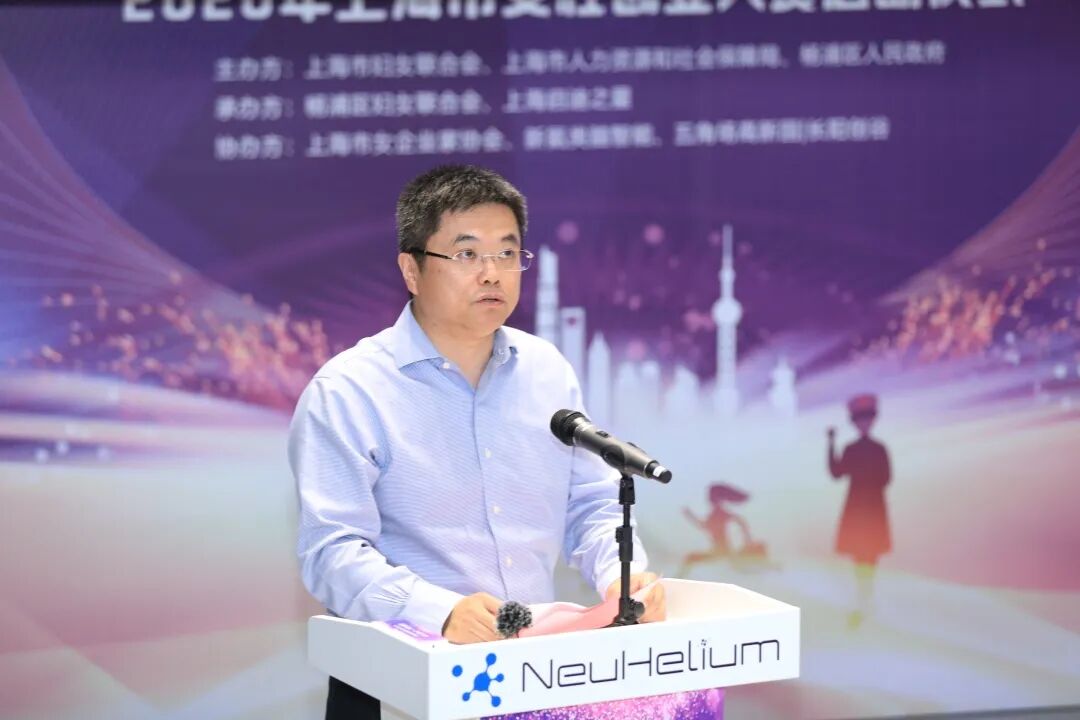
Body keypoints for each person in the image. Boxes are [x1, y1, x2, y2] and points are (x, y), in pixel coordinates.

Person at [288, 165, 666, 719]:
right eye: (467, 254)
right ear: (412, 269)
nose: (492, 273)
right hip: (402, 682)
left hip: (532, 676)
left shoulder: (546, 371)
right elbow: (332, 552)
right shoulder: (349, 391)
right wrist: (440, 611)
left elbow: (588, 503)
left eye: (507, 253)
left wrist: (620, 577)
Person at [827, 393, 892, 629]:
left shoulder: (877, 449)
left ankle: (866, 596)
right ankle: (864, 596)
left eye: (867, 419)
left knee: (869, 552)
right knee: (861, 553)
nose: (864, 424)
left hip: (868, 507)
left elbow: (885, 477)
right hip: (863, 507)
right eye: (860, 420)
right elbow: (837, 472)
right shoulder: (857, 449)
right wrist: (831, 444)